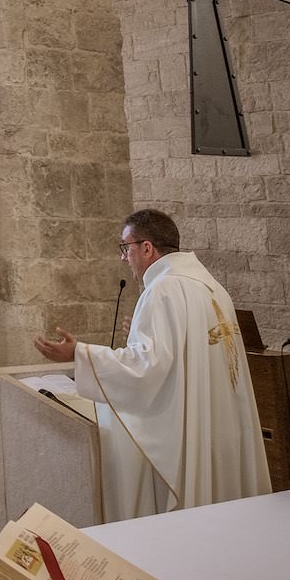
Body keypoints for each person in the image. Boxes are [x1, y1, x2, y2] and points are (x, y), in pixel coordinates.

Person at [34, 209, 272, 519]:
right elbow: (185, 351)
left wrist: (80, 353)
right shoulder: (210, 287)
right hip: (218, 427)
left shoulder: (163, 290)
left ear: (147, 248)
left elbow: (147, 369)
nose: (124, 258)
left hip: (188, 437)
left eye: (125, 247)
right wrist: (140, 331)